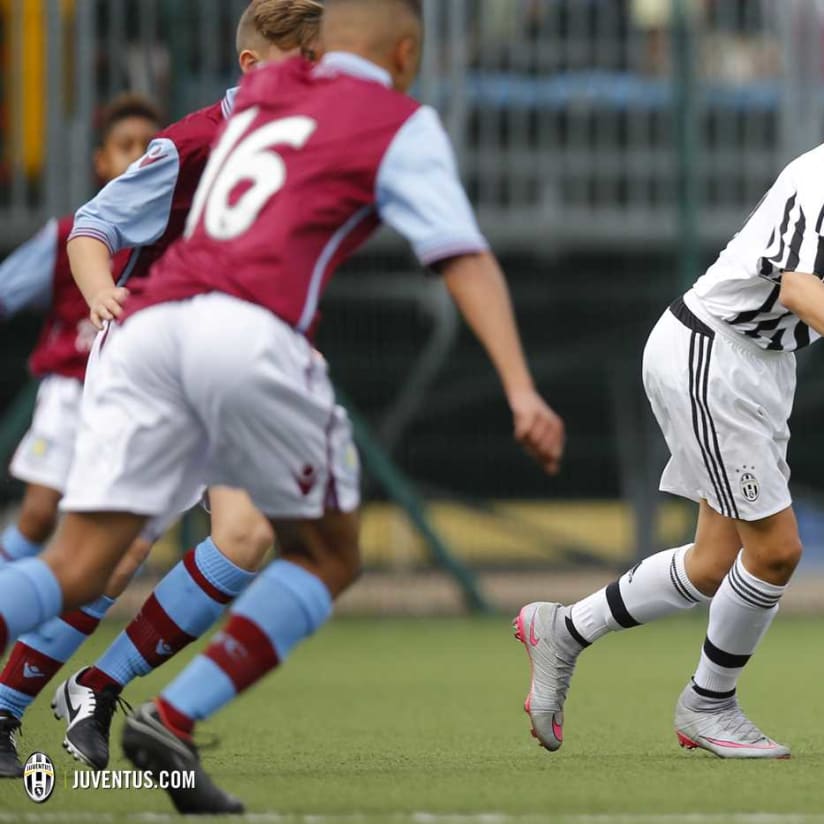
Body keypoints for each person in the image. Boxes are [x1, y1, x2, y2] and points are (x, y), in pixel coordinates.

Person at [0, 0, 566, 812]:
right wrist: (520, 385)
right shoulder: (388, 119)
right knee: (329, 553)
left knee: (114, 556)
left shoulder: (261, 103)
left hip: (161, 329)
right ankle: (168, 717)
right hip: (240, 331)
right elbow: (462, 256)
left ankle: (99, 690)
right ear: (405, 52)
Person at [0, 0, 324, 778]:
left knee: (247, 538)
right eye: (306, 60)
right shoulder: (192, 144)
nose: (320, 76)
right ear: (253, 67)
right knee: (108, 562)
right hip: (153, 359)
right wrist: (103, 291)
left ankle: (99, 687)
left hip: (231, 364)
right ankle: (5, 707)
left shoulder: (303, 143)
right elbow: (91, 227)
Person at [514, 125, 824, 760]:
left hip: (760, 365)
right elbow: (799, 288)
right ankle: (709, 705)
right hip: (716, 354)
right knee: (775, 552)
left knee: (714, 562)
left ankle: (563, 629)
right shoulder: (821, 174)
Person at [0, 94, 161, 778]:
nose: (137, 157)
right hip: (73, 394)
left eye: (147, 147)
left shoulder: (174, 228)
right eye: (125, 146)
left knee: (113, 556)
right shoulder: (75, 231)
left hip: (147, 399)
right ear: (102, 160)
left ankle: (25, 692)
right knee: (49, 521)